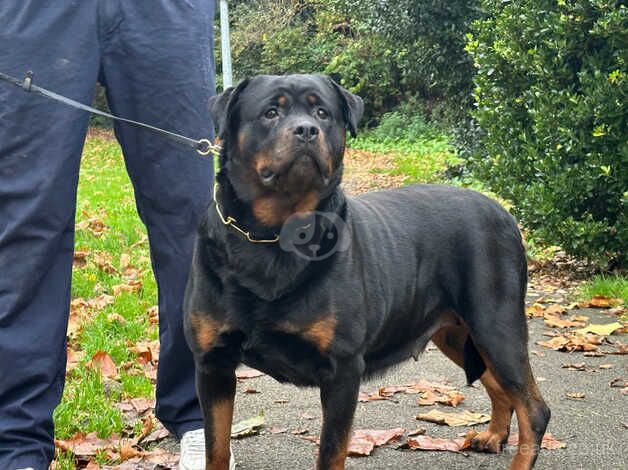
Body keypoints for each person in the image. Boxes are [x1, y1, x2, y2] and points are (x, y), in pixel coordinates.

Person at [0, 2, 233, 469]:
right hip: (35, 12)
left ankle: (196, 417)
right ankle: (17, 441)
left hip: (165, 13)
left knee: (187, 222)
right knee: (27, 219)